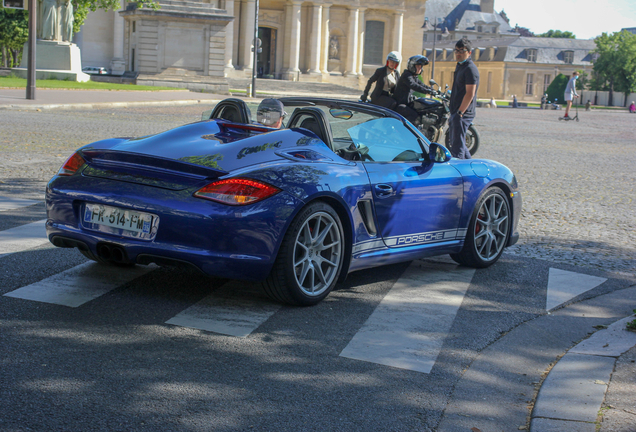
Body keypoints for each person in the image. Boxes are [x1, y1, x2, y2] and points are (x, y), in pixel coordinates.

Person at [448, 37, 479, 160]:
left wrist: (460, 113)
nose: (458, 54)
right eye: (456, 51)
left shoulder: (470, 69)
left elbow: (470, 93)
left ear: (469, 52)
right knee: (458, 143)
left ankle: (459, 174)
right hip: (456, 111)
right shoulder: (460, 66)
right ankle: (470, 167)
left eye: (462, 51)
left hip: (463, 113)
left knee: (457, 148)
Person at [391, 55, 433, 125]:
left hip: (407, 104)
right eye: (418, 66)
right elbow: (414, 85)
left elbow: (422, 85)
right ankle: (406, 133)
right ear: (412, 66)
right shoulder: (407, 75)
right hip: (400, 105)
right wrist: (428, 91)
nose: (420, 69)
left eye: (421, 67)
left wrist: (434, 91)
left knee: (422, 111)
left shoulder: (414, 76)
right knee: (414, 115)